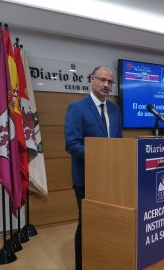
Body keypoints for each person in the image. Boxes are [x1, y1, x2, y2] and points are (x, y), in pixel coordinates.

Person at [64, 66, 123, 270]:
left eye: (110, 82)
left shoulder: (115, 109)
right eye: (102, 80)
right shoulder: (77, 107)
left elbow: (118, 143)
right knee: (87, 224)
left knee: (108, 224)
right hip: (86, 179)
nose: (106, 85)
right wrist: (101, 158)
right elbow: (71, 144)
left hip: (111, 180)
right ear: (92, 80)